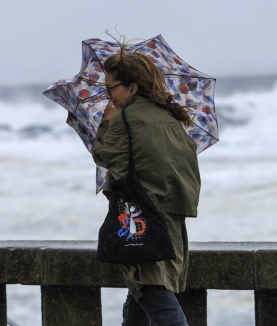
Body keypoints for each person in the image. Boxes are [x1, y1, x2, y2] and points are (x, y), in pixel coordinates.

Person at [92, 51, 201, 326]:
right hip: (171, 219)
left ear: (132, 87)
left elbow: (104, 155)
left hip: (141, 220)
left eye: (111, 88)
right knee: (141, 290)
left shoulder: (126, 119)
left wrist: (106, 122)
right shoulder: (169, 115)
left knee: (152, 290)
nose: (109, 95)